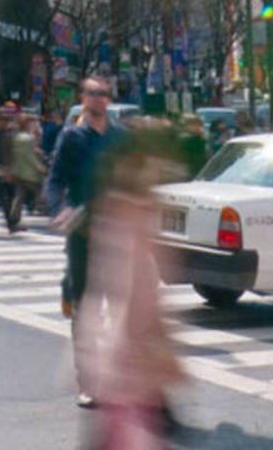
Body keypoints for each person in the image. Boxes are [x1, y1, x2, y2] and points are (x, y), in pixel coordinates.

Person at [82, 120, 186, 446]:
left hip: (127, 331)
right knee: (127, 423)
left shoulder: (121, 204)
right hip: (130, 331)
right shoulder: (132, 209)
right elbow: (133, 284)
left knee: (123, 423)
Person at [46, 77, 126, 408]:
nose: (98, 99)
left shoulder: (122, 137)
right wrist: (59, 208)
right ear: (83, 98)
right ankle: (88, 380)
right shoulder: (72, 137)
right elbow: (55, 179)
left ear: (109, 98)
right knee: (87, 310)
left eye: (103, 94)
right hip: (82, 234)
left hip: (116, 235)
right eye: (92, 93)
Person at [9, 115, 47, 227]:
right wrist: (39, 166)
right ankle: (44, 208)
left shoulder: (17, 136)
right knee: (39, 190)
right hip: (29, 173)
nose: (34, 125)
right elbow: (29, 155)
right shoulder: (29, 138)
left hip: (17, 170)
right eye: (32, 123)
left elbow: (22, 152)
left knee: (19, 195)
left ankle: (14, 217)